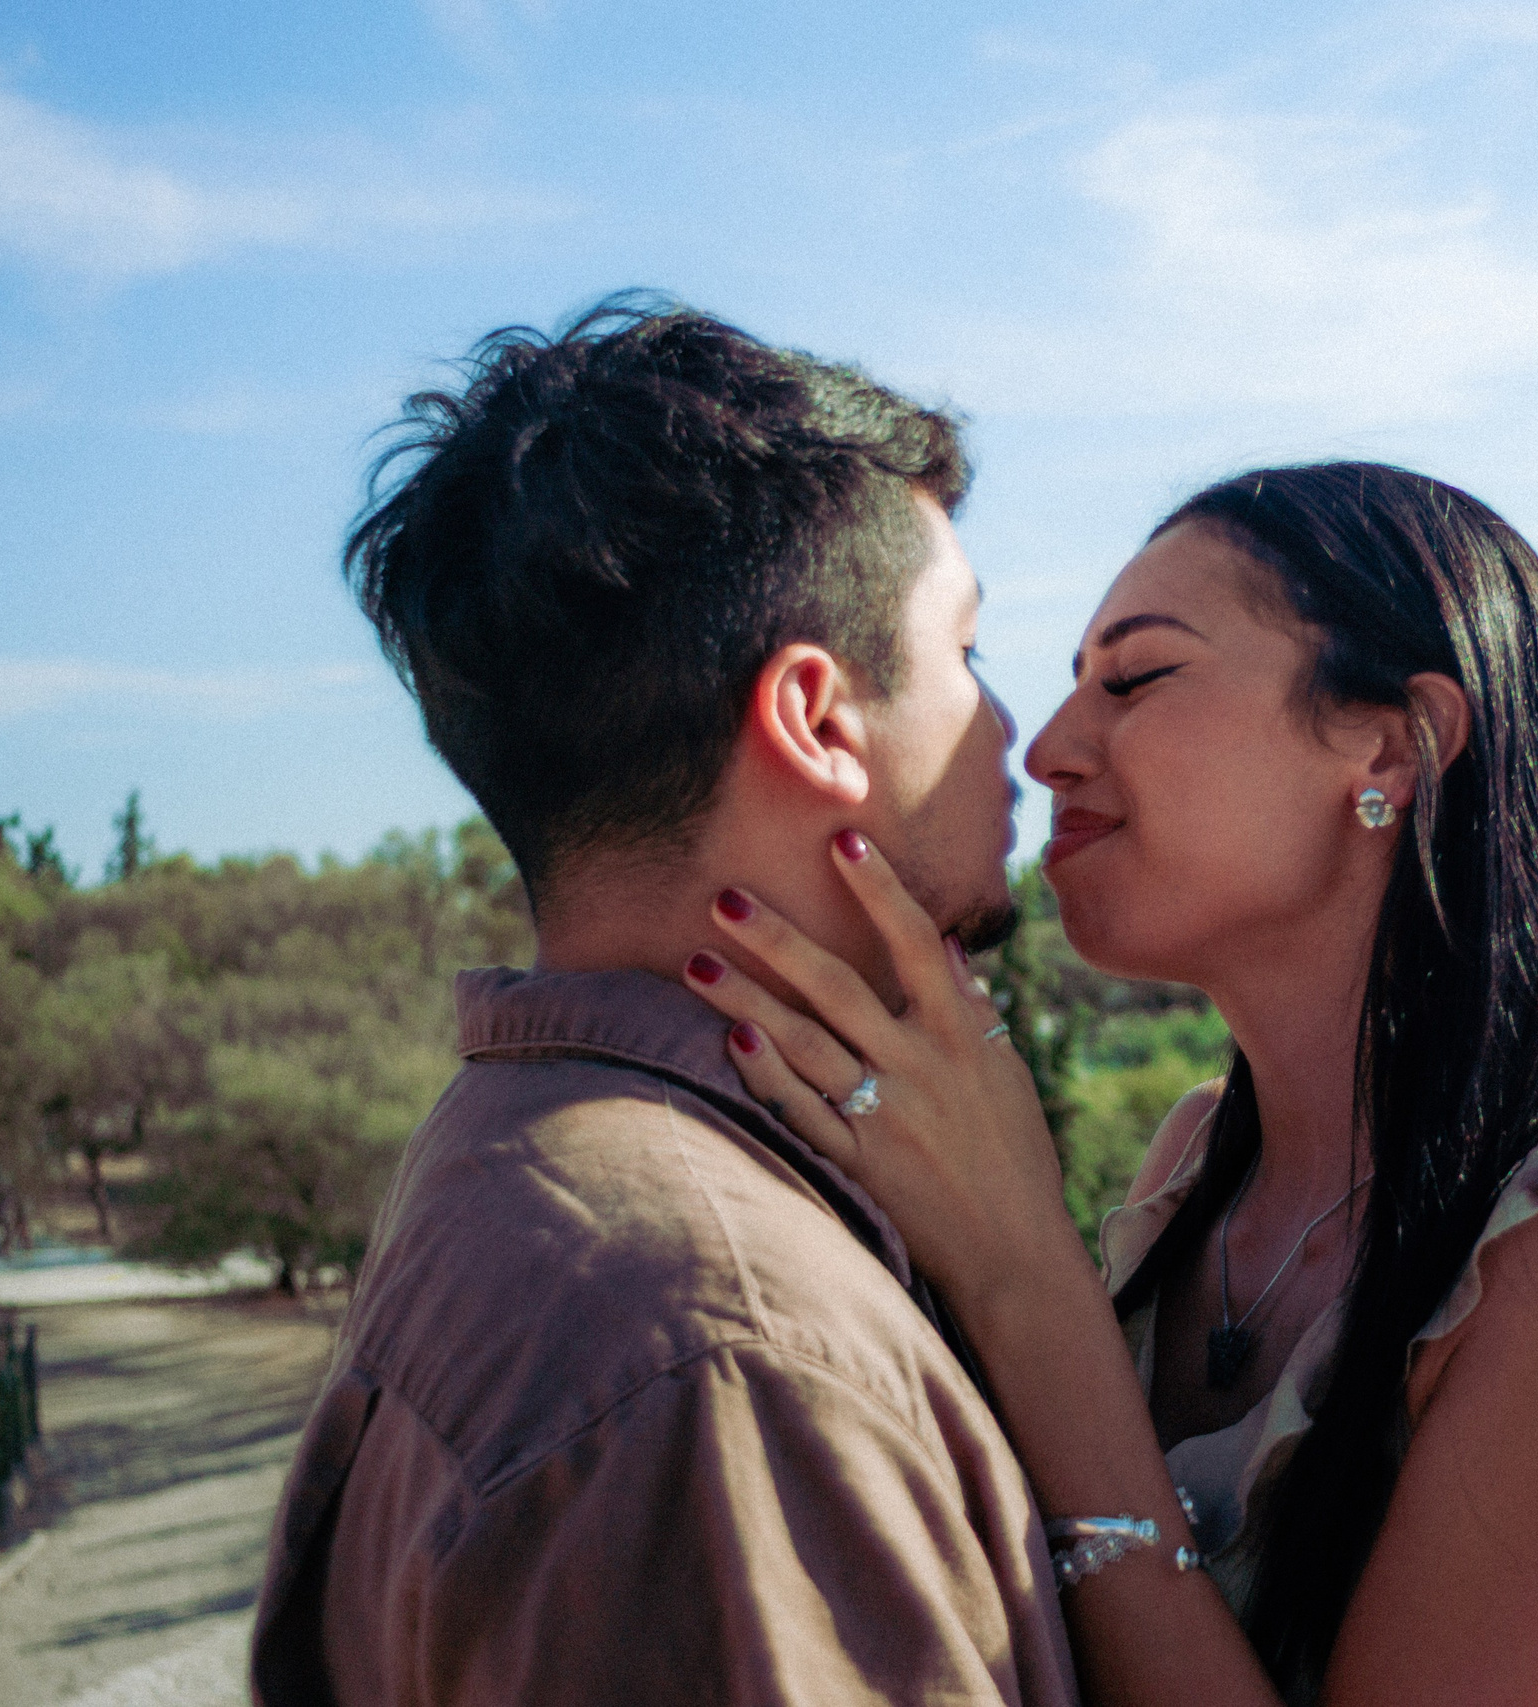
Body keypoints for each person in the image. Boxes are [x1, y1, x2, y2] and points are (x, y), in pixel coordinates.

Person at [681, 463, 1538, 1707]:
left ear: (1390, 742)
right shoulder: (1193, 1166)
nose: (1045, 750)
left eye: (1134, 677)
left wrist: (1022, 1274)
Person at [249, 299, 1078, 1706]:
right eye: (969, 652)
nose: (1026, 740)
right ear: (818, 718)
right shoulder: (724, 1356)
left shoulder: (517, 1152)